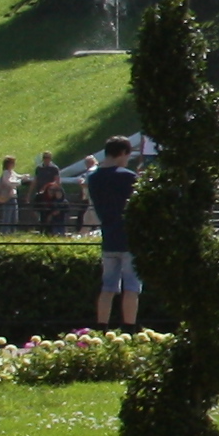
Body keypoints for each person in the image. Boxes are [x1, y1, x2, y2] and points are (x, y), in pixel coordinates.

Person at [88, 136, 144, 330]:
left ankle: (101, 325)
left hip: (108, 235)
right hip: (130, 237)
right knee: (131, 288)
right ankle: (129, 327)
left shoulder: (93, 178)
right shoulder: (128, 177)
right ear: (123, 153)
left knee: (108, 287)